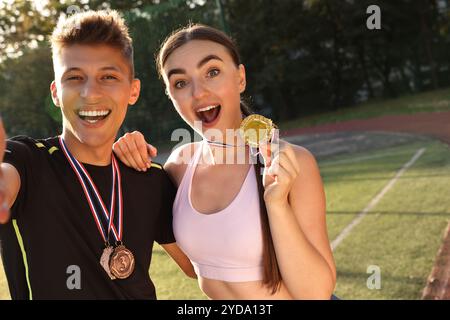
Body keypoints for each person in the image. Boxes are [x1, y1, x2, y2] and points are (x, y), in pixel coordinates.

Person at [113, 24, 337, 299]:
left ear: (240, 78)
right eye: (180, 82)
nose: (198, 92)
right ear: (171, 96)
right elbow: (197, 269)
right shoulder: (178, 166)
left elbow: (316, 294)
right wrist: (126, 159)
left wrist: (276, 205)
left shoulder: (291, 163)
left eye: (212, 72)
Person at [0, 10, 193, 300]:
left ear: (133, 90)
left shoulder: (151, 178)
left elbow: (198, 267)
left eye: (108, 77)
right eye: (75, 77)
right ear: (56, 92)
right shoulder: (28, 161)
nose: (91, 93)